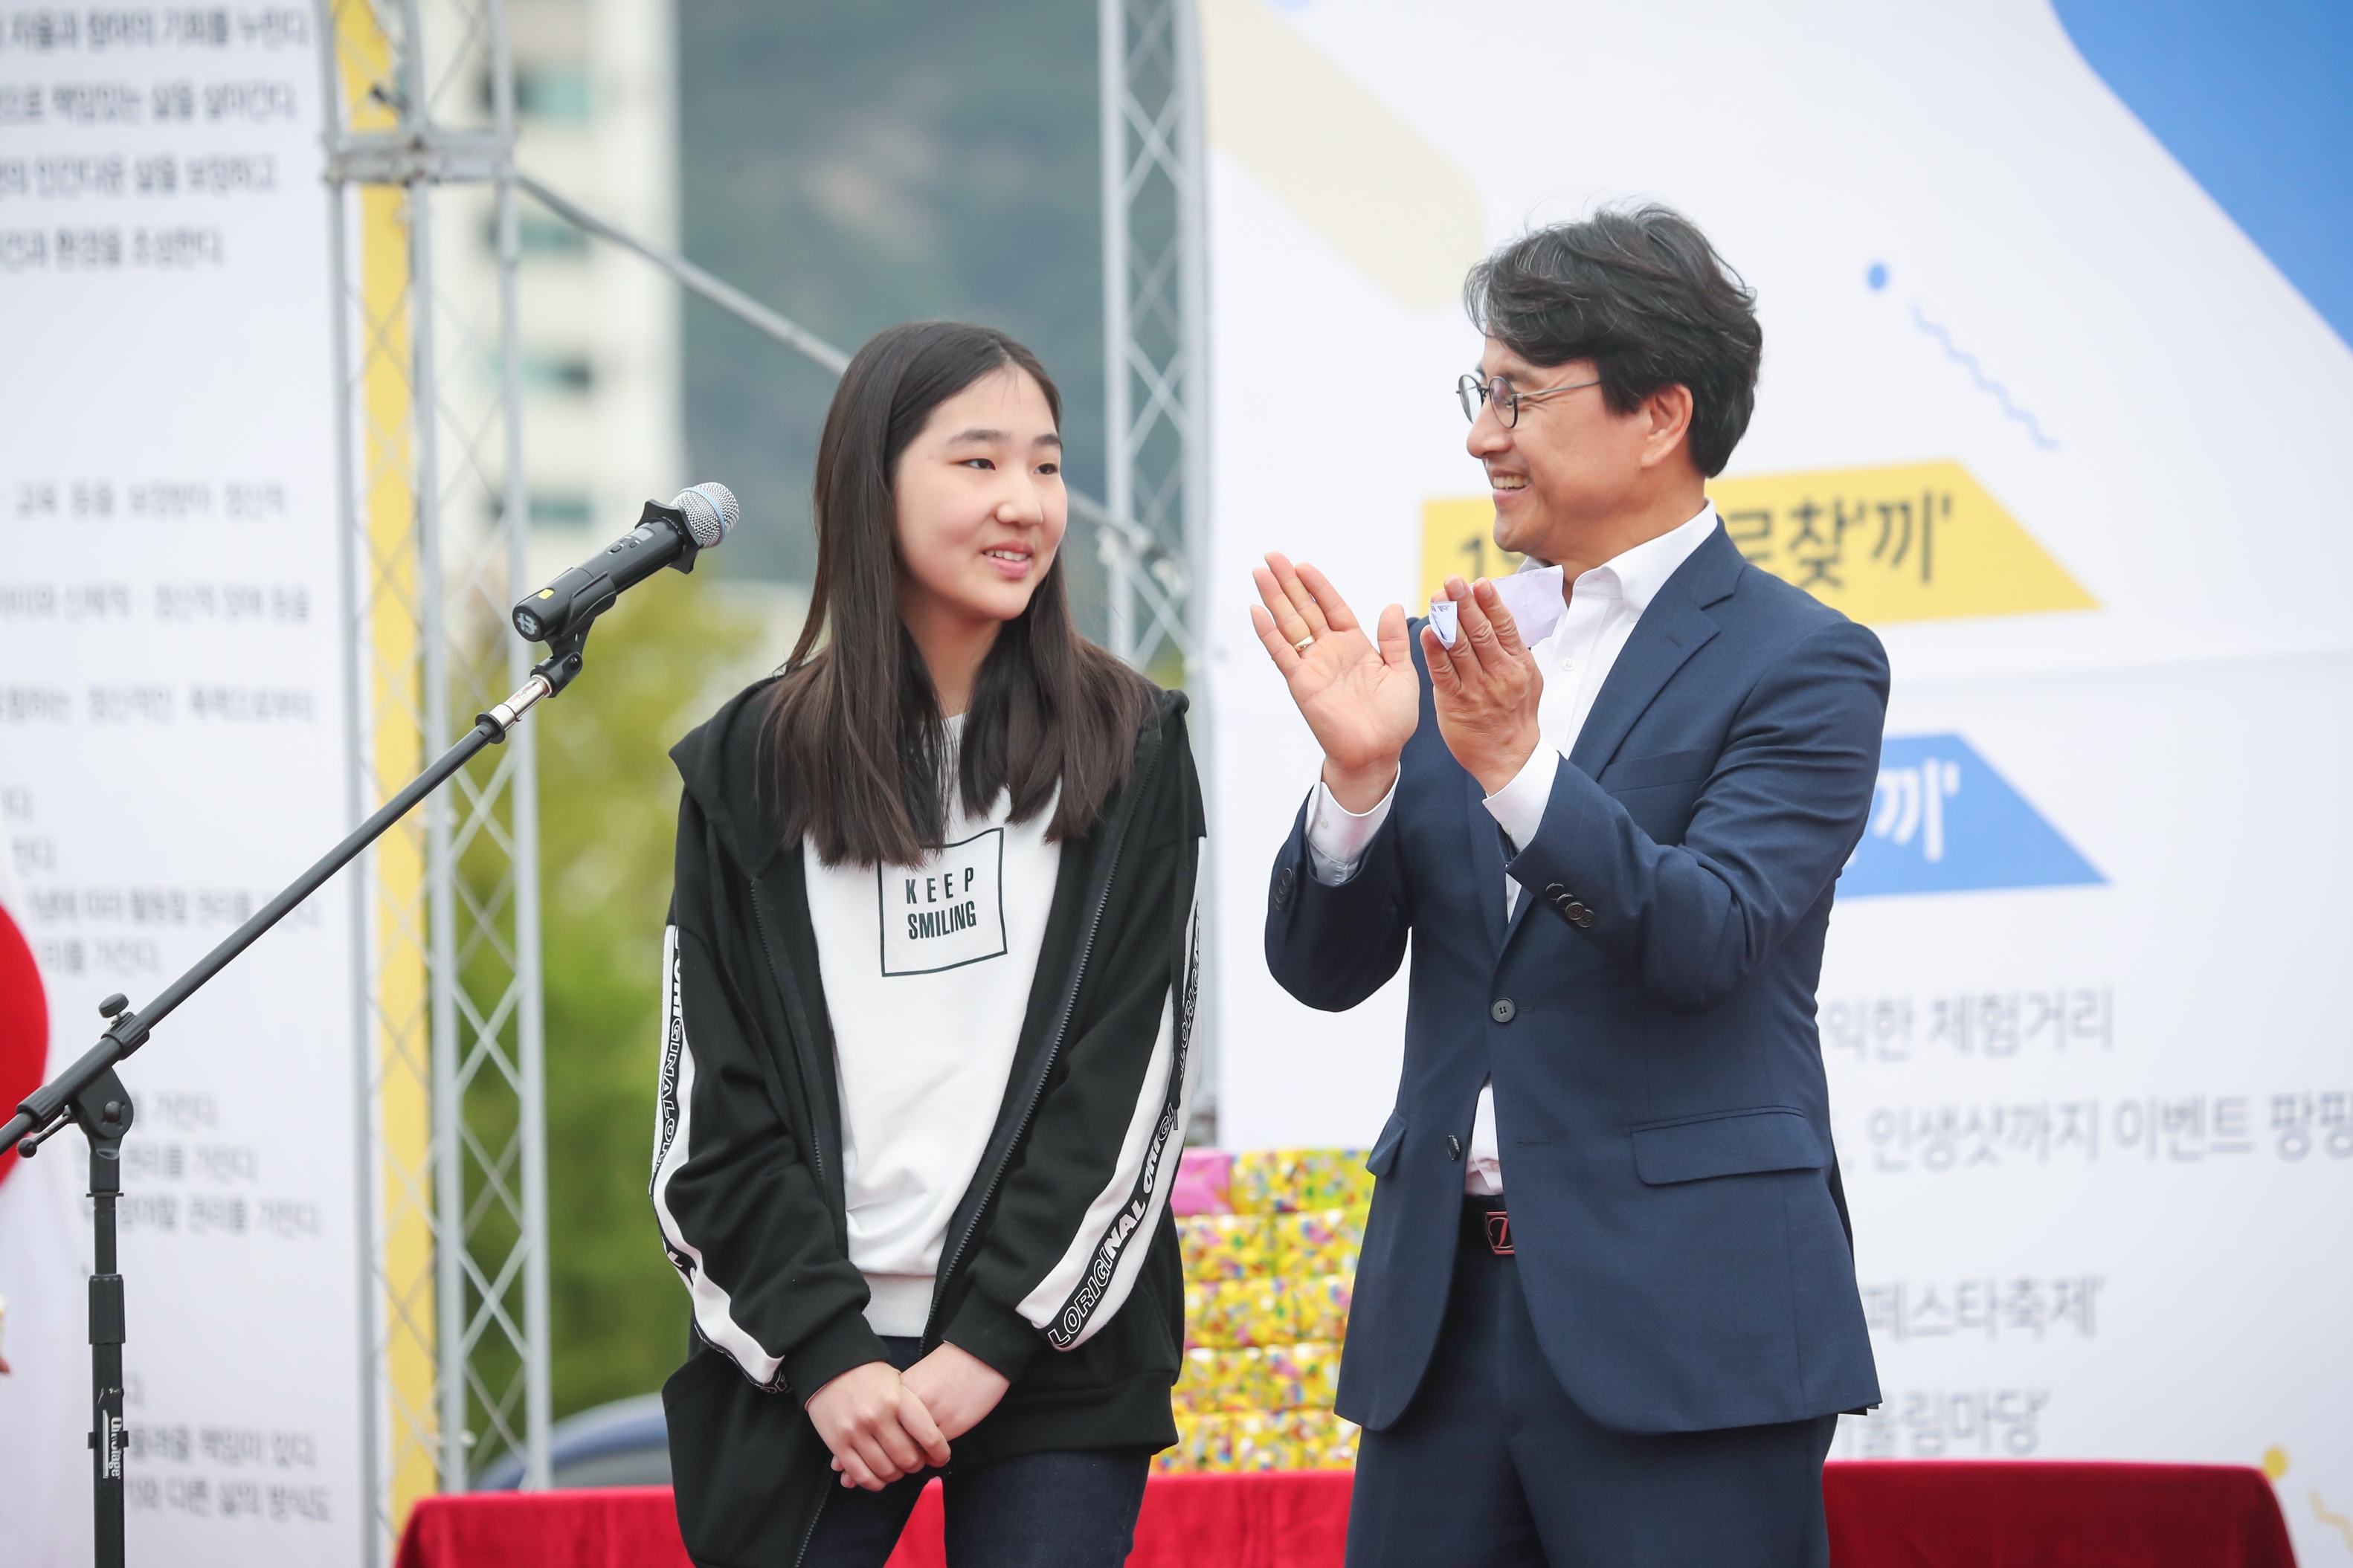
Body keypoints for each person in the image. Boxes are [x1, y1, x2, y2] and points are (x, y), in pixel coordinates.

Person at [1253, 207, 1885, 1567]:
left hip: (1686, 1320)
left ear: (1660, 415)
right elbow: (1321, 970)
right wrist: (1358, 778)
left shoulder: (1805, 662)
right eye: (1479, 394)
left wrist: (1519, 769)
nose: (1483, 436)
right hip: (1439, 1323)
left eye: (1519, 396)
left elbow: (1709, 933)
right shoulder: (1460, 653)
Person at [652, 320, 1205, 1568]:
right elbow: (709, 1115)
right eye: (979, 461)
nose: (1026, 502)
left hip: (1053, 1350)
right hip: (813, 1363)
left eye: (1047, 465)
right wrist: (827, 1353)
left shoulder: (1131, 743)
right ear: (874, 485)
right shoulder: (750, 765)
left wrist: (991, 1341)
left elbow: (1134, 1086)